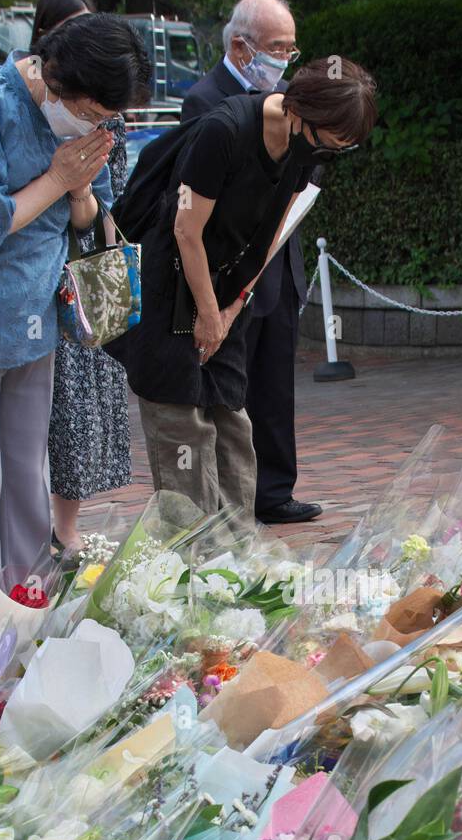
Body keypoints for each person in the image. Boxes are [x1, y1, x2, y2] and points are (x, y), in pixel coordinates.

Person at [0, 14, 151, 655]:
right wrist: (59, 179)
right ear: (55, 76)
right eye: (94, 109)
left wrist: (78, 192)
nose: (100, 123)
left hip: (33, 327)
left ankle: (31, 633)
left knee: (27, 488)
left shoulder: (89, 121)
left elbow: (91, 213)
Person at [110, 57, 376, 519]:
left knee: (231, 418)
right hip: (169, 281)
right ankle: (192, 562)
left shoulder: (302, 150)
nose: (326, 156)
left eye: (340, 150)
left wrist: (232, 308)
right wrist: (208, 315)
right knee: (182, 421)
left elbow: (270, 236)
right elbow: (185, 231)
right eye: (327, 144)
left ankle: (236, 558)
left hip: (227, 285)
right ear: (297, 110)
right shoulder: (225, 130)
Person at [181, 0, 321, 525]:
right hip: (226, 269)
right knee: (230, 386)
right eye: (276, 48)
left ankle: (276, 489)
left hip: (280, 263)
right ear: (241, 47)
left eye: (291, 48)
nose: (284, 59)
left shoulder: (288, 98)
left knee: (276, 380)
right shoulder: (205, 101)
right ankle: (231, 498)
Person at [30, 0, 136, 554]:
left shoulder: (108, 122)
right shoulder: (23, 102)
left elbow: (109, 207)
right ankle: (26, 529)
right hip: (20, 278)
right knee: (27, 416)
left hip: (79, 272)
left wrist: (80, 193)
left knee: (75, 405)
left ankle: (65, 527)